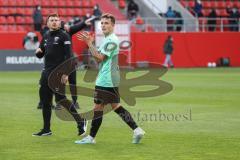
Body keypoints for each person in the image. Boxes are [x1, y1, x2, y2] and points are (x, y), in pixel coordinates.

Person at [74, 13, 145, 144]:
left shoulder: (111, 40)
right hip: (111, 78)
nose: (103, 25)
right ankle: (137, 129)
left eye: (106, 23)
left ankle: (91, 138)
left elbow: (99, 58)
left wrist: (89, 43)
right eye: (102, 23)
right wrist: (91, 44)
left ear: (113, 25)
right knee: (116, 106)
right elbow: (100, 56)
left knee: (97, 108)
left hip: (106, 79)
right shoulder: (108, 39)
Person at [32, 13, 86, 136]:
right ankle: (46, 129)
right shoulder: (45, 36)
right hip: (46, 73)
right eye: (52, 20)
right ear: (48, 23)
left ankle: (80, 121)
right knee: (45, 102)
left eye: (57, 20)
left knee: (61, 100)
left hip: (58, 73)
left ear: (59, 22)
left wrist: (66, 73)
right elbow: (41, 54)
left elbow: (69, 57)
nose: (55, 22)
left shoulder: (64, 36)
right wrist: (38, 52)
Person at [37, 17, 93, 109]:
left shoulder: (64, 33)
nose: (67, 27)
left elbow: (75, 27)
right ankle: (59, 102)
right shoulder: (58, 33)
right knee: (67, 83)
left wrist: (84, 23)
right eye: (65, 26)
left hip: (65, 62)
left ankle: (47, 102)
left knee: (56, 83)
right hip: (60, 63)